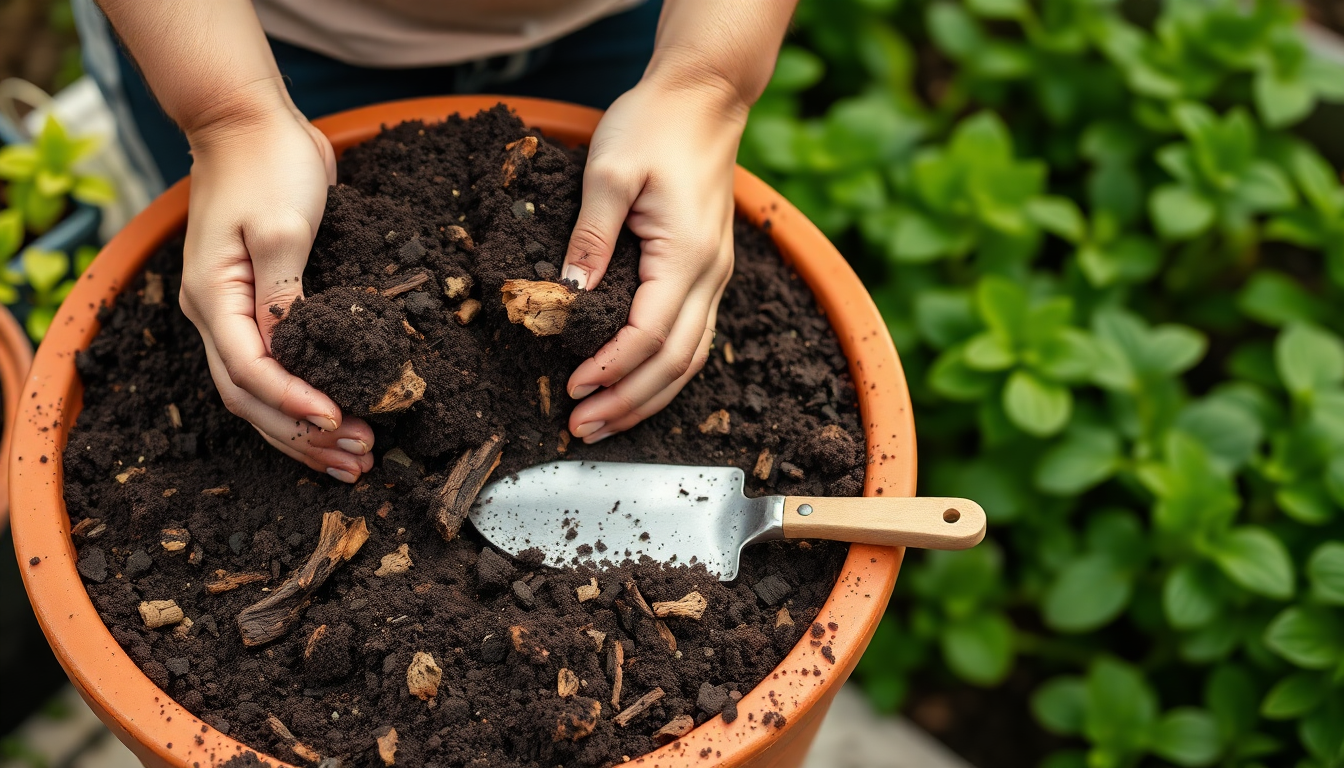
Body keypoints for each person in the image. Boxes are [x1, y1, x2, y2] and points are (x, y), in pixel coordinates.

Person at [82, 0, 796, 484]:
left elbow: (703, 88)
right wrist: (225, 115)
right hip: (230, 37)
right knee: (254, 255)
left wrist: (707, 82)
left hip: (636, 25)